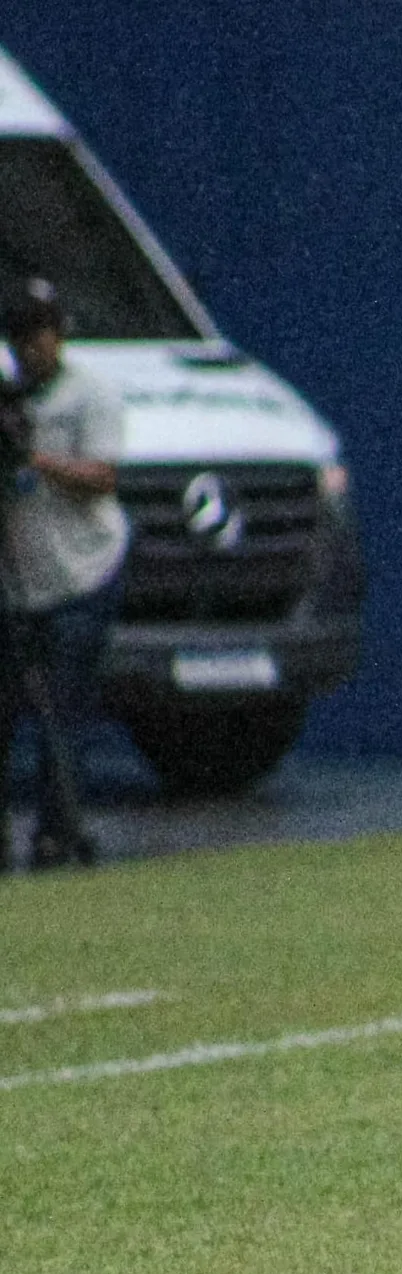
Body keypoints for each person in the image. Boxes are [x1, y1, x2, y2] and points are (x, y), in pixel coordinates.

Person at [2, 278, 126, 870]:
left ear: (60, 335)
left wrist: (37, 457)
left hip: (82, 573)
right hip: (19, 580)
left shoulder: (88, 396)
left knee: (63, 714)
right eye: (20, 335)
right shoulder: (8, 401)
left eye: (41, 333)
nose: (31, 347)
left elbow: (104, 477)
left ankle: (58, 833)